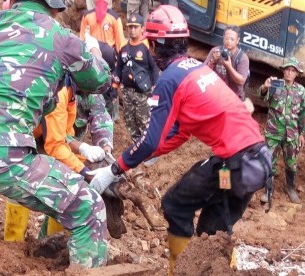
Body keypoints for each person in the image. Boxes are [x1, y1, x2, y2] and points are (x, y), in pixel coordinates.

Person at [86, 5, 272, 274]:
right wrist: (148, 155)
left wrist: (116, 168)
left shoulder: (170, 78)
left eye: (152, 44)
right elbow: (180, 132)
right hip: (253, 163)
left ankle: (181, 271)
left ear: (157, 45)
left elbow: (151, 139)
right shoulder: (196, 69)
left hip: (235, 164)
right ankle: (216, 268)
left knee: (174, 204)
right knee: (213, 229)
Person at [0, 0, 112, 269]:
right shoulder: (61, 37)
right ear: (57, 5)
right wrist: (94, 52)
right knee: (89, 209)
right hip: (0, 153)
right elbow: (100, 81)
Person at [4, 76, 114, 241]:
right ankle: (13, 241)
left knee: (65, 189)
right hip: (29, 137)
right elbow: (55, 139)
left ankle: (50, 241)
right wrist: (84, 165)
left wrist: (106, 149)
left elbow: (100, 118)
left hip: (62, 143)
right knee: (19, 185)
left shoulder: (90, 89)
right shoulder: (59, 89)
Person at [257, 57, 305, 204]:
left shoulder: (300, 90)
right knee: (269, 162)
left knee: (291, 164)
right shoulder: (276, 85)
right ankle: (268, 191)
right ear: (283, 71)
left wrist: (303, 133)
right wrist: (266, 87)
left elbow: (303, 113)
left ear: (297, 73)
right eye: (287, 69)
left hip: (292, 134)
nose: (289, 73)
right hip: (274, 131)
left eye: (292, 70)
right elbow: (261, 97)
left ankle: (291, 188)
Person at [115, 13, 159, 142]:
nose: (132, 30)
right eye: (130, 27)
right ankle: (136, 144)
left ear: (142, 28)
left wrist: (155, 87)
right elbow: (118, 68)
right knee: (130, 121)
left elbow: (154, 68)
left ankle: (149, 149)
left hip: (143, 93)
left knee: (145, 121)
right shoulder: (123, 49)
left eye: (136, 27)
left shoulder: (147, 48)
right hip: (127, 92)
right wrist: (114, 85)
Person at [204, 25, 250, 101]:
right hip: (215, 93)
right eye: (227, 38)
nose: (229, 41)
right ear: (223, 38)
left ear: (237, 40)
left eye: (232, 39)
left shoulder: (242, 57)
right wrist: (213, 61)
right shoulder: (215, 51)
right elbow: (202, 72)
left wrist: (229, 67)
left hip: (233, 97)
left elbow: (241, 81)